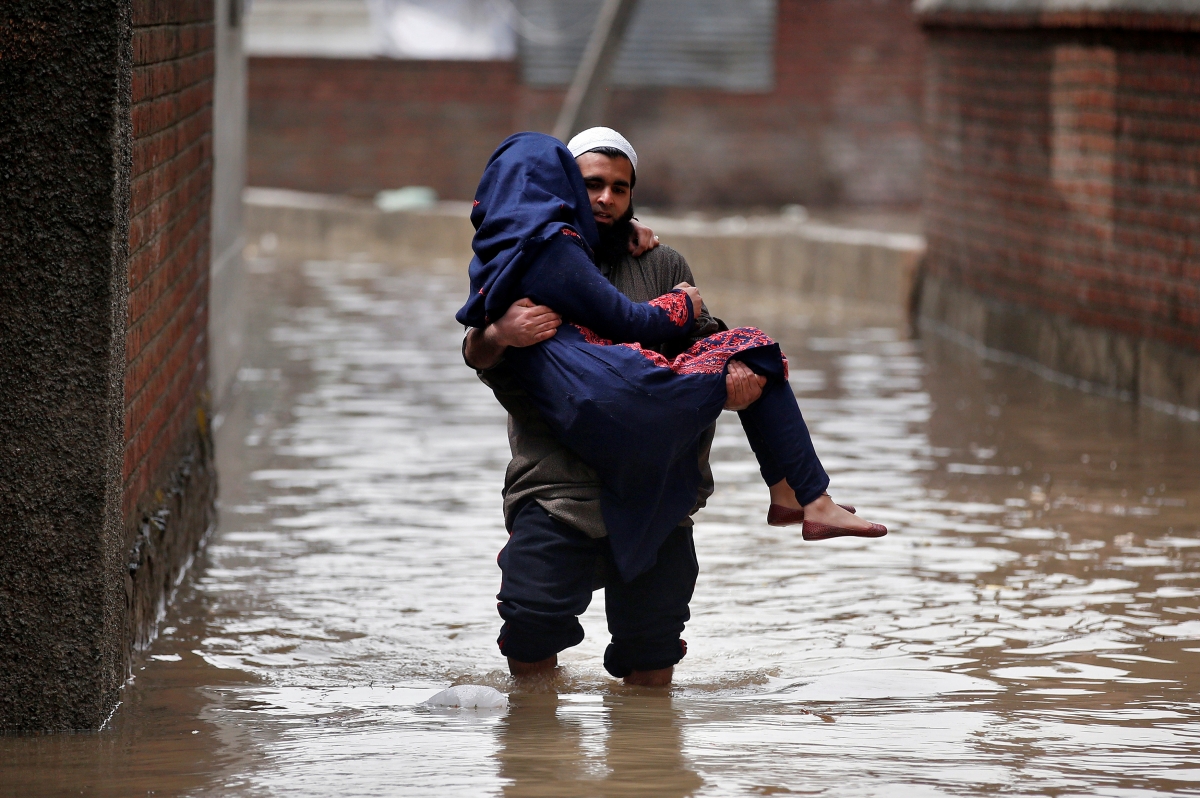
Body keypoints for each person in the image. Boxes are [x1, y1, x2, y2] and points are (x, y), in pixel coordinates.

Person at [462, 130, 883, 686]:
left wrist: (734, 381)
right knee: (531, 629)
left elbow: (711, 340)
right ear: (565, 185)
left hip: (660, 488)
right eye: (592, 184)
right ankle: (539, 759)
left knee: (652, 656)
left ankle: (645, 770)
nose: (607, 199)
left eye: (620, 188)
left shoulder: (660, 263)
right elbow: (475, 349)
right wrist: (499, 332)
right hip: (558, 489)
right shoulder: (532, 249)